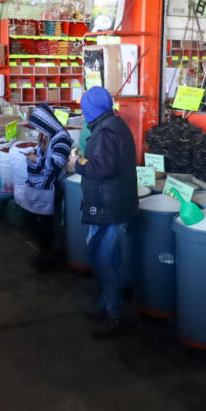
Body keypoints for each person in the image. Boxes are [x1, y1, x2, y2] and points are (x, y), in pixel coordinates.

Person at [72, 87, 138, 337]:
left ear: (91, 109)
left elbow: (102, 168)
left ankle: (114, 314)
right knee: (110, 258)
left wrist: (77, 164)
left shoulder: (105, 131)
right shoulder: (113, 123)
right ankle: (105, 304)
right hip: (114, 202)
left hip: (107, 206)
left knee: (101, 258)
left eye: (83, 107)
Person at [23, 103, 73, 271]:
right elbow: (41, 152)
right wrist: (33, 153)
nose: (38, 130)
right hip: (42, 186)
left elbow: (55, 164)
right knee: (39, 222)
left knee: (48, 225)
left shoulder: (62, 138)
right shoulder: (48, 135)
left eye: (39, 126)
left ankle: (48, 257)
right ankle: (44, 253)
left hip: (53, 188)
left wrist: (35, 160)